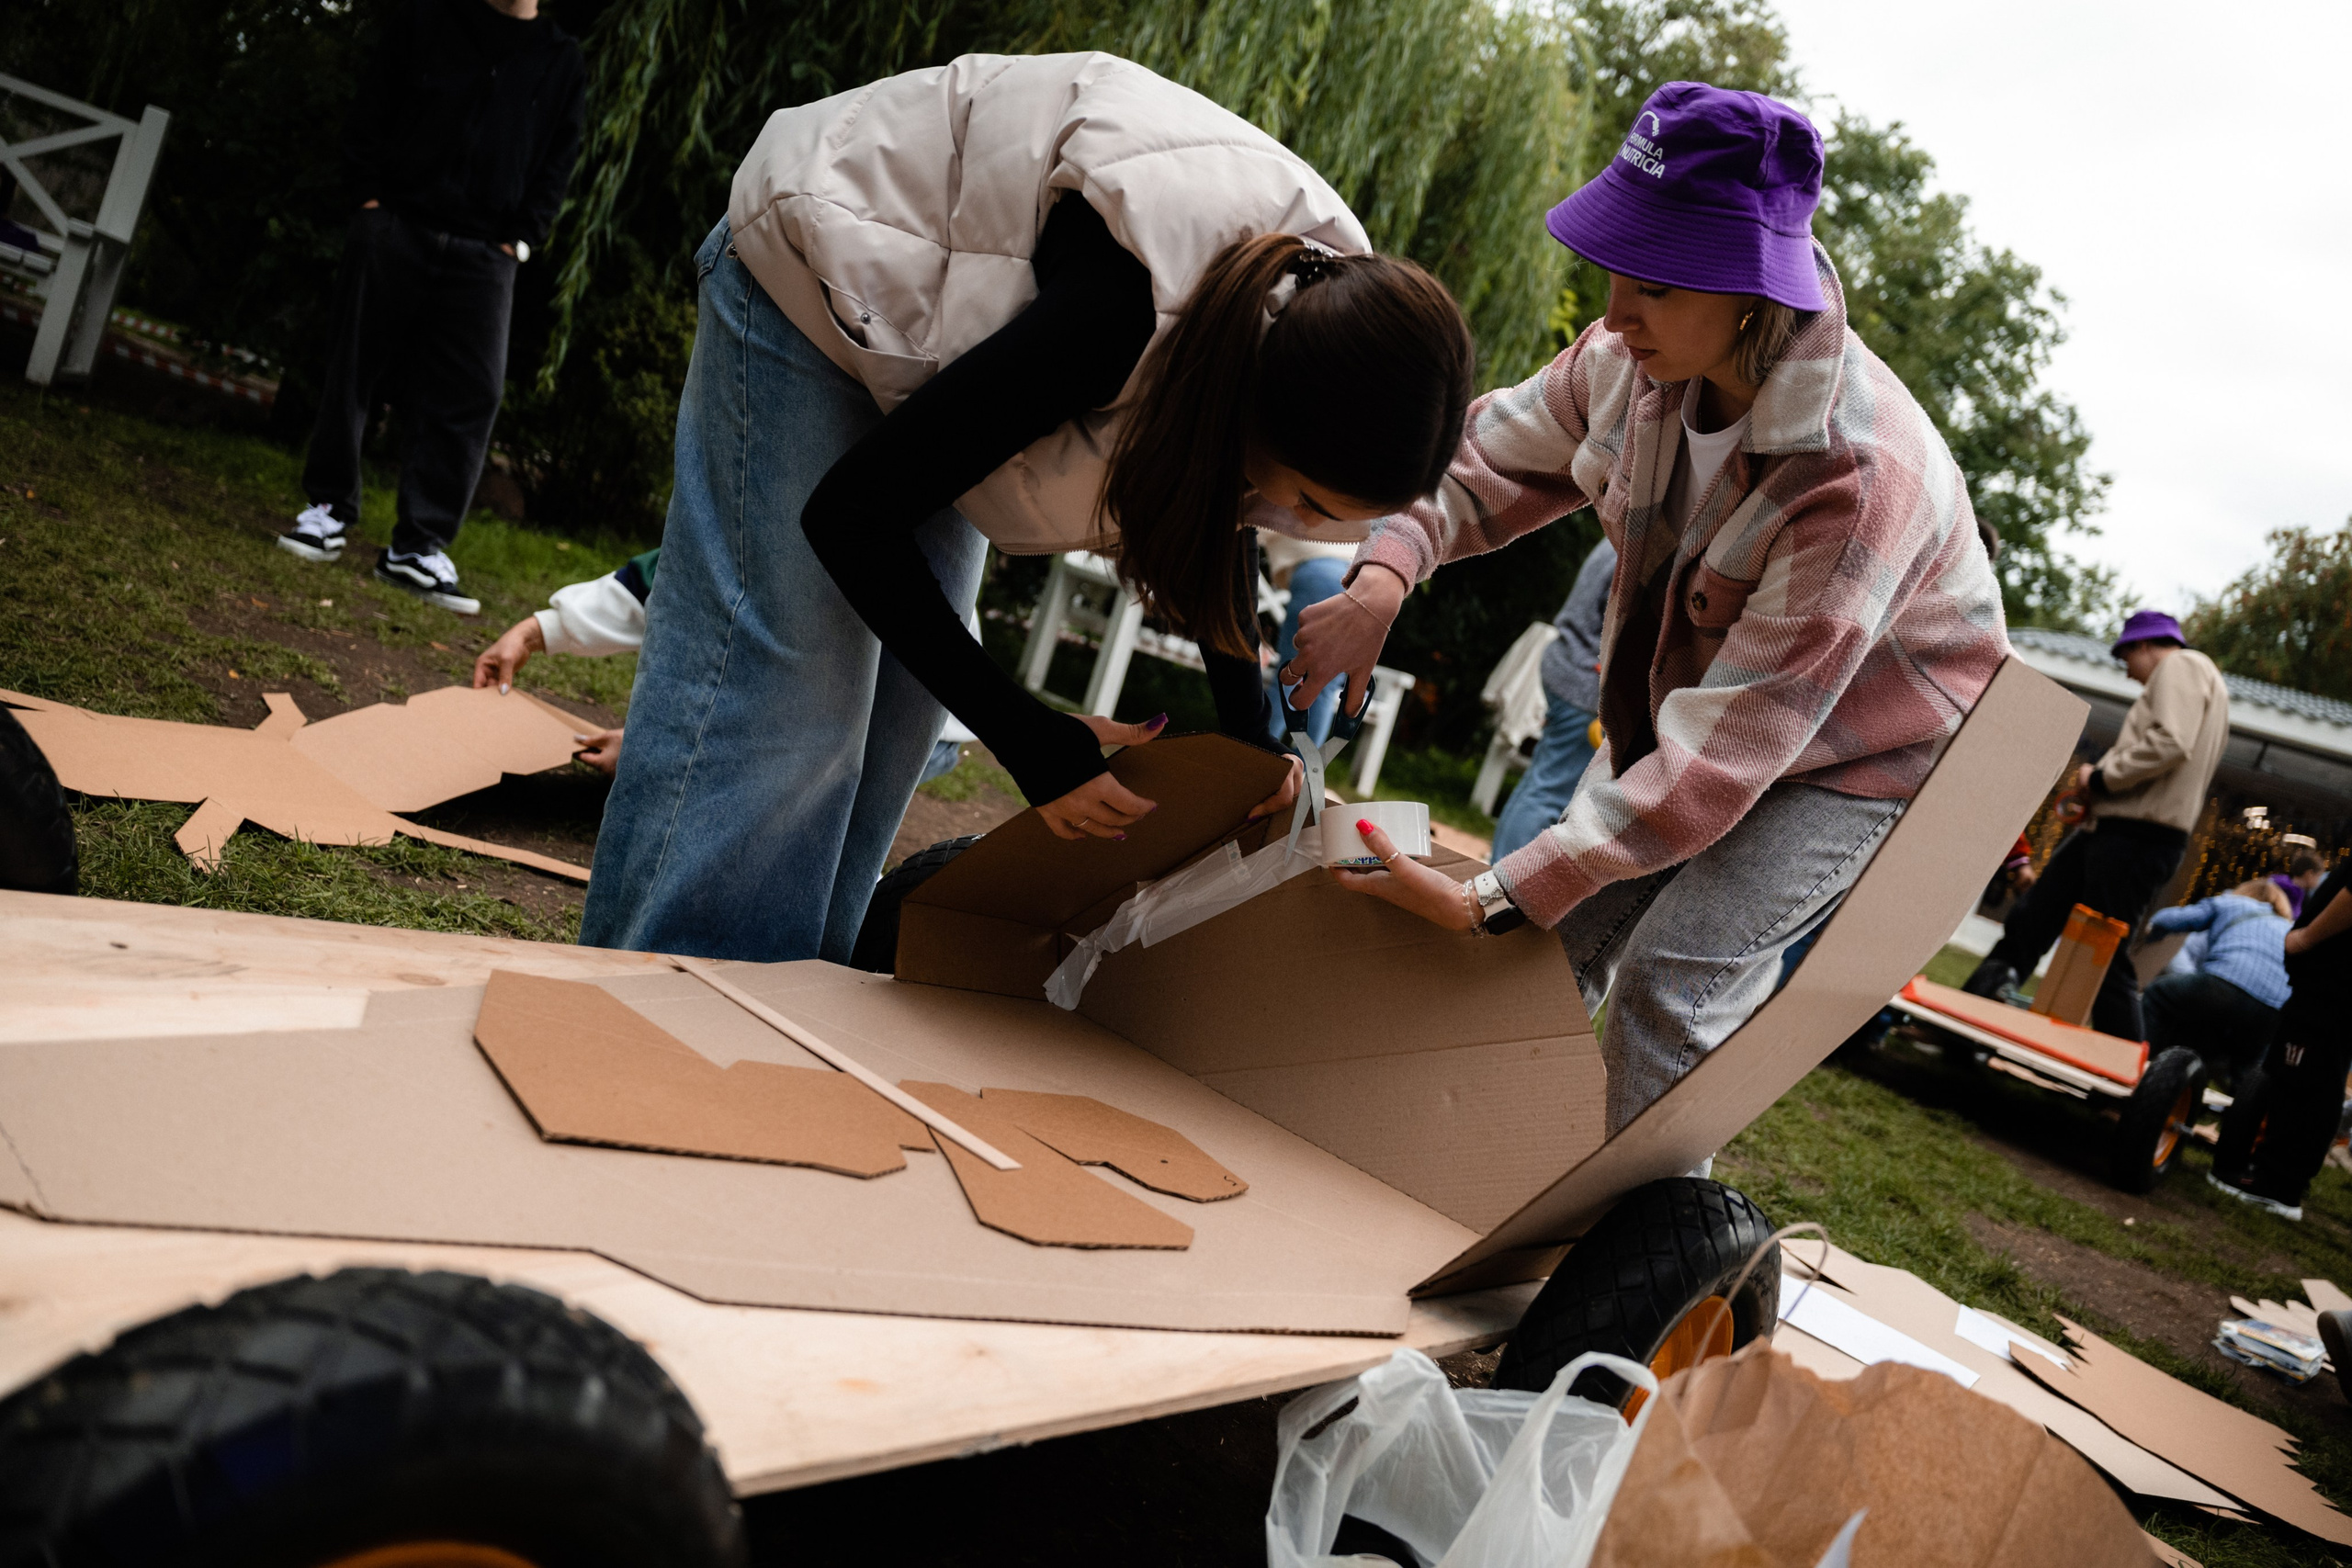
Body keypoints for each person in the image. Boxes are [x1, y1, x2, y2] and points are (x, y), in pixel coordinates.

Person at [581, 54, 1476, 964]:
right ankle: (666, 1004)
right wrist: (1030, 740)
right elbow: (853, 515)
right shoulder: (1116, 317)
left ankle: (783, 992)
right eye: (1311, 498)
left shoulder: (1320, 329)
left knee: (901, 721)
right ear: (1260, 409)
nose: (1295, 519)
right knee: (793, 691)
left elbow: (1217, 521)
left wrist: (1256, 748)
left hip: (949, 337)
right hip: (824, 258)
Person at [1287, 82, 2010, 1138]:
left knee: (1667, 986)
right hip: (1704, 705)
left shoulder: (1854, 479)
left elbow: (1721, 759)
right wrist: (1383, 577)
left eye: (1658, 285)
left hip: (1863, 752)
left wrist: (1493, 895)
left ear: (1754, 294)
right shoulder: (1627, 363)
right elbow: (1474, 460)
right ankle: (1461, 1185)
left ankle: (1629, 1269)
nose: (1617, 314)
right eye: (1615, 268)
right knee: (1544, 943)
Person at [278, 0, 587, 617]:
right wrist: (367, 201)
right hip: (396, 223)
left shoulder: (561, 60)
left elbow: (561, 155)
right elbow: (372, 106)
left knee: (472, 393)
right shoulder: (424, 20)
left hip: (487, 252)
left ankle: (418, 545)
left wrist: (522, 238)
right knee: (354, 367)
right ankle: (328, 508)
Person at [473, 547, 978, 784]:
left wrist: (661, 748)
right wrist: (530, 634)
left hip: (914, 734)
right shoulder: (740, 528)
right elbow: (662, 578)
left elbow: (803, 710)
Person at [1963, 612, 2230, 1039]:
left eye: (2125, 656)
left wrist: (2101, 777)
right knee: (2036, 916)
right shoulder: (2202, 679)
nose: (2126, 671)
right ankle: (1973, 1009)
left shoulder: (2182, 666)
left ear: (2144, 645)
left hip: (2136, 836)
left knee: (2104, 949)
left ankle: (2122, 1065)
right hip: (2116, 831)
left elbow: (2170, 742)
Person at [2210, 862, 2351, 1220]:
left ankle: (2277, 1184)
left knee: (2308, 1078)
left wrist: (2306, 937)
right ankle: (2273, 1176)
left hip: (2332, 984)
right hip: (2327, 985)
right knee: (2302, 1075)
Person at [1490, 538, 1616, 862]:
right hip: (1586, 679)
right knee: (1552, 794)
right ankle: (1505, 883)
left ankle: (1498, 874)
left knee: (1542, 783)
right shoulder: (1646, 542)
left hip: (1572, 667)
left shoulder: (1623, 530)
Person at [2142, 879, 2292, 1090]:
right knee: (2246, 1067)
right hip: (2274, 1008)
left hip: (2227, 983)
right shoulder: (2290, 928)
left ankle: (2142, 1072)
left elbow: (2177, 919)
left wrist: (2154, 928)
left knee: (2158, 995)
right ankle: (2237, 1114)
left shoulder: (2232, 903)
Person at [1260, 535, 1360, 747]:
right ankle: (1307, 768)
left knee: (1288, 675)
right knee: (1326, 684)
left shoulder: (1294, 506)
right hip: (1356, 584)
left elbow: (1252, 525)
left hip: (1316, 575)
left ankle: (1260, 751)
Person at [2269, 844, 2327, 919]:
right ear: (2309, 874)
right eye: (2318, 876)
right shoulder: (2293, 896)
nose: (2318, 882)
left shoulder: (2274, 887)